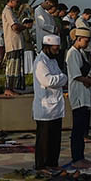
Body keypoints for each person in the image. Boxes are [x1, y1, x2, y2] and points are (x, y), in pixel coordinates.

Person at [33, 34, 67, 169]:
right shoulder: (40, 62)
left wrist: (60, 78)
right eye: (55, 49)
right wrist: (62, 78)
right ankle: (42, 166)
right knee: (44, 141)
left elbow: (61, 77)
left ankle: (53, 164)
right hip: (45, 109)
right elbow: (48, 81)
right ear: (47, 47)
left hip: (56, 108)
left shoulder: (52, 61)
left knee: (55, 140)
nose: (57, 52)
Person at [66, 27, 91, 166]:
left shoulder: (80, 52)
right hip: (77, 93)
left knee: (82, 128)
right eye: (86, 40)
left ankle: (81, 156)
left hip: (84, 93)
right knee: (77, 129)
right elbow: (76, 75)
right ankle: (76, 158)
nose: (87, 43)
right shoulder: (72, 54)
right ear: (78, 39)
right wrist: (87, 80)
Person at [2, 0, 25, 95]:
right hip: (12, 44)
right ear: (11, 0)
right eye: (17, 1)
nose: (18, 4)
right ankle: (8, 88)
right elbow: (14, 27)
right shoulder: (7, 11)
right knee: (11, 67)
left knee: (15, 68)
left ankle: (12, 87)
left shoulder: (11, 11)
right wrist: (24, 27)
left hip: (16, 43)